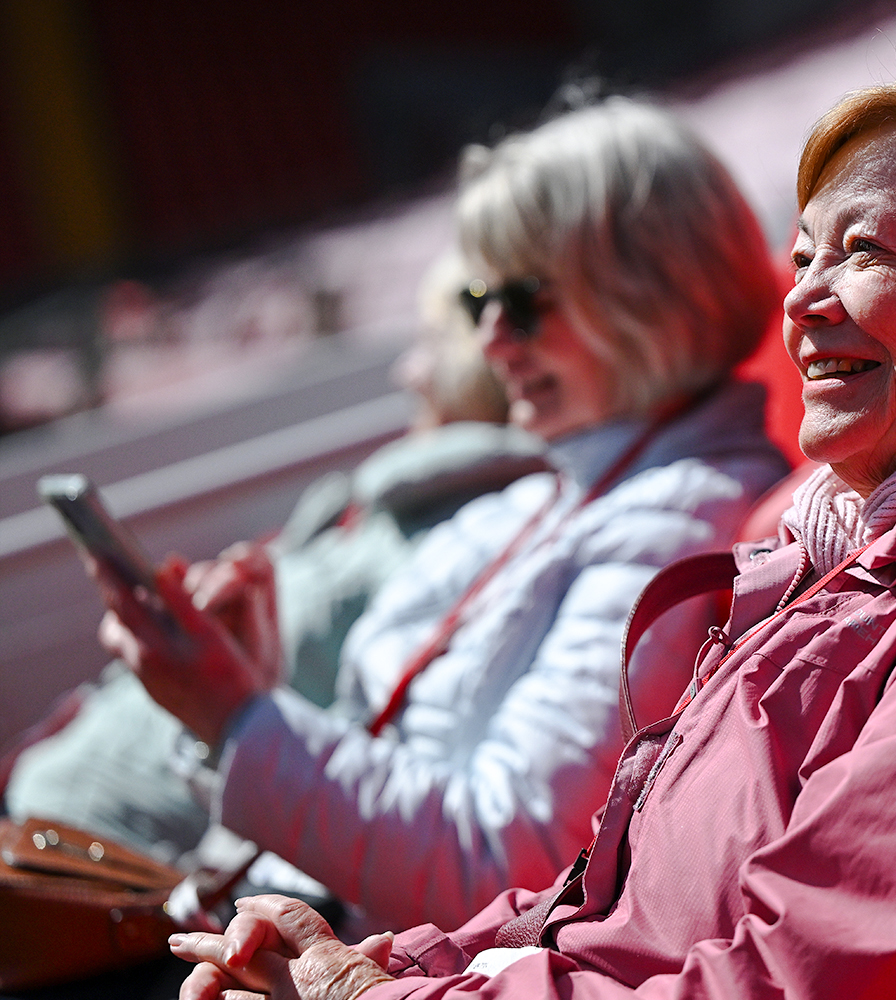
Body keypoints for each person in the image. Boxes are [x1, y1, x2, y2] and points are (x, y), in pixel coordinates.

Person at [166, 67, 896, 1000]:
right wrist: (392, 962)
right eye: (802, 257)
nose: (803, 302)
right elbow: (612, 909)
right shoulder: (857, 560)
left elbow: (813, 980)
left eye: (861, 250)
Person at [86, 96, 790, 932]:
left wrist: (235, 715)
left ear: (654, 295)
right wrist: (251, 672)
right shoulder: (554, 491)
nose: (492, 340)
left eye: (523, 301)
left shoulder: (679, 521)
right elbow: (398, 751)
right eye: (479, 300)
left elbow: (501, 864)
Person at [4, 250, 546, 863]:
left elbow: (373, 765)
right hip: (70, 819)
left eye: (429, 341)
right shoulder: (378, 505)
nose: (408, 371)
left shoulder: (464, 539)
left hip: (111, 857)